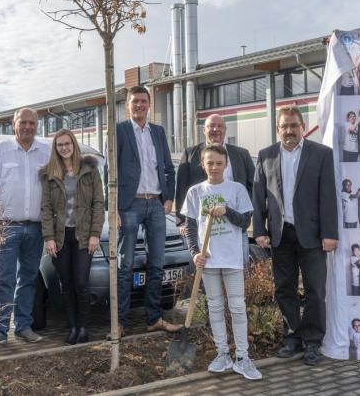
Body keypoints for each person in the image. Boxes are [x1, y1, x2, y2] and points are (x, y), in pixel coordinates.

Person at [252, 105, 338, 366]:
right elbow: (258, 197)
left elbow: (328, 196)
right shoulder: (266, 155)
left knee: (315, 290)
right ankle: (293, 337)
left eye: (293, 125)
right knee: (284, 289)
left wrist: (329, 233)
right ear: (277, 129)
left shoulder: (321, 154)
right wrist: (259, 230)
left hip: (312, 235)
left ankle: (313, 341)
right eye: (284, 126)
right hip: (280, 235)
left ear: (303, 127)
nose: (289, 130)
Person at [182, 144, 261, 380]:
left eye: (219, 163)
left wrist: (226, 210)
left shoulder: (237, 189)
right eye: (210, 163)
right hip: (208, 260)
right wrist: (194, 253)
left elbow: (245, 222)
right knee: (215, 307)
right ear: (202, 165)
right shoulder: (195, 192)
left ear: (226, 164)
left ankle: (243, 358)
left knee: (237, 307)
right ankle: (222, 354)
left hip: (232, 258)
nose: (214, 167)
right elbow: (190, 227)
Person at [113, 86, 179, 338]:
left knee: (157, 264)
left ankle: (154, 319)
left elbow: (168, 168)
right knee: (125, 265)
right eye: (135, 101)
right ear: (128, 105)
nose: (139, 105)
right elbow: (111, 172)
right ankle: (119, 323)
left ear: (149, 104)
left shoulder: (158, 132)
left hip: (156, 204)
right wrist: (114, 207)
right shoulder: (119, 131)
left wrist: (169, 197)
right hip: (130, 204)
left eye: (143, 101)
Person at [0, 108, 51, 349]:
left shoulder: (45, 151)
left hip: (35, 227)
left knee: (28, 279)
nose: (27, 127)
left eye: (32, 123)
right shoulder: (0, 150)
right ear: (14, 124)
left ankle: (23, 326)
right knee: (4, 279)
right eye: (23, 122)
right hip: (6, 226)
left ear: (37, 125)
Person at [40, 129, 104, 345]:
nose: (64, 148)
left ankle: (83, 327)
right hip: (60, 237)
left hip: (83, 235)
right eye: (60, 145)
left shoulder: (89, 170)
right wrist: (49, 237)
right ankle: (73, 326)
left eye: (67, 143)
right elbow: (46, 209)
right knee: (66, 284)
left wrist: (95, 234)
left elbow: (98, 204)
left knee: (81, 282)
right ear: (55, 148)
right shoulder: (50, 174)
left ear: (74, 145)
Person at [175, 113, 255, 265]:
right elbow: (182, 188)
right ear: (204, 130)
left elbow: (252, 186)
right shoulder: (190, 154)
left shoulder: (241, 154)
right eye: (211, 126)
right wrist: (182, 221)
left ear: (225, 130)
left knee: (240, 266)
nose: (215, 129)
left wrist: (246, 211)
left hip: (236, 224)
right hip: (205, 226)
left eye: (219, 126)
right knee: (206, 266)